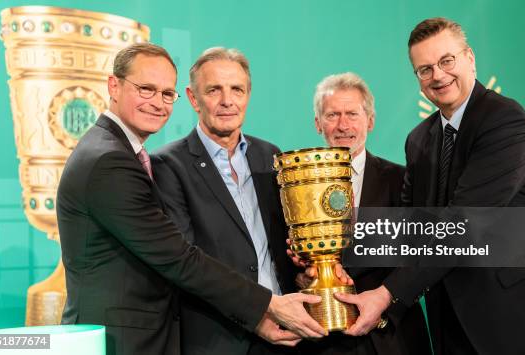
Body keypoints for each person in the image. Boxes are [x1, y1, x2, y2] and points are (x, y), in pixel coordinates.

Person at [334, 17, 525, 354]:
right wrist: (338, 259)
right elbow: (413, 230)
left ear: (469, 57)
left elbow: (464, 224)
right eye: (424, 69)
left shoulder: (504, 120)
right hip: (453, 324)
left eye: (446, 61)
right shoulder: (419, 140)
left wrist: (385, 294)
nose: (438, 75)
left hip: (521, 321)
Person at [57, 43, 326, 355]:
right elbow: (179, 258)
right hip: (134, 337)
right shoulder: (111, 160)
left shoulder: (269, 155)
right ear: (113, 86)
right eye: (145, 89)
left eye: (166, 94)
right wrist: (266, 306)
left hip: (274, 333)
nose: (157, 102)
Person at [151, 47, 349, 355]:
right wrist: (258, 315)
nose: (227, 101)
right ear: (193, 98)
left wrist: (302, 272)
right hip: (220, 338)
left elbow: (278, 245)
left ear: (248, 94)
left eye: (237, 90)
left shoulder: (270, 156)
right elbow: (185, 265)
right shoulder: (169, 165)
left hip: (288, 335)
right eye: (214, 90)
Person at [293, 72, 431, 355]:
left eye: (352, 114)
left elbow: (421, 257)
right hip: (322, 339)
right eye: (332, 115)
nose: (343, 125)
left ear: (370, 121)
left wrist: (384, 308)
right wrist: (301, 276)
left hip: (392, 337)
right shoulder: (297, 186)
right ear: (318, 124)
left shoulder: (403, 181)